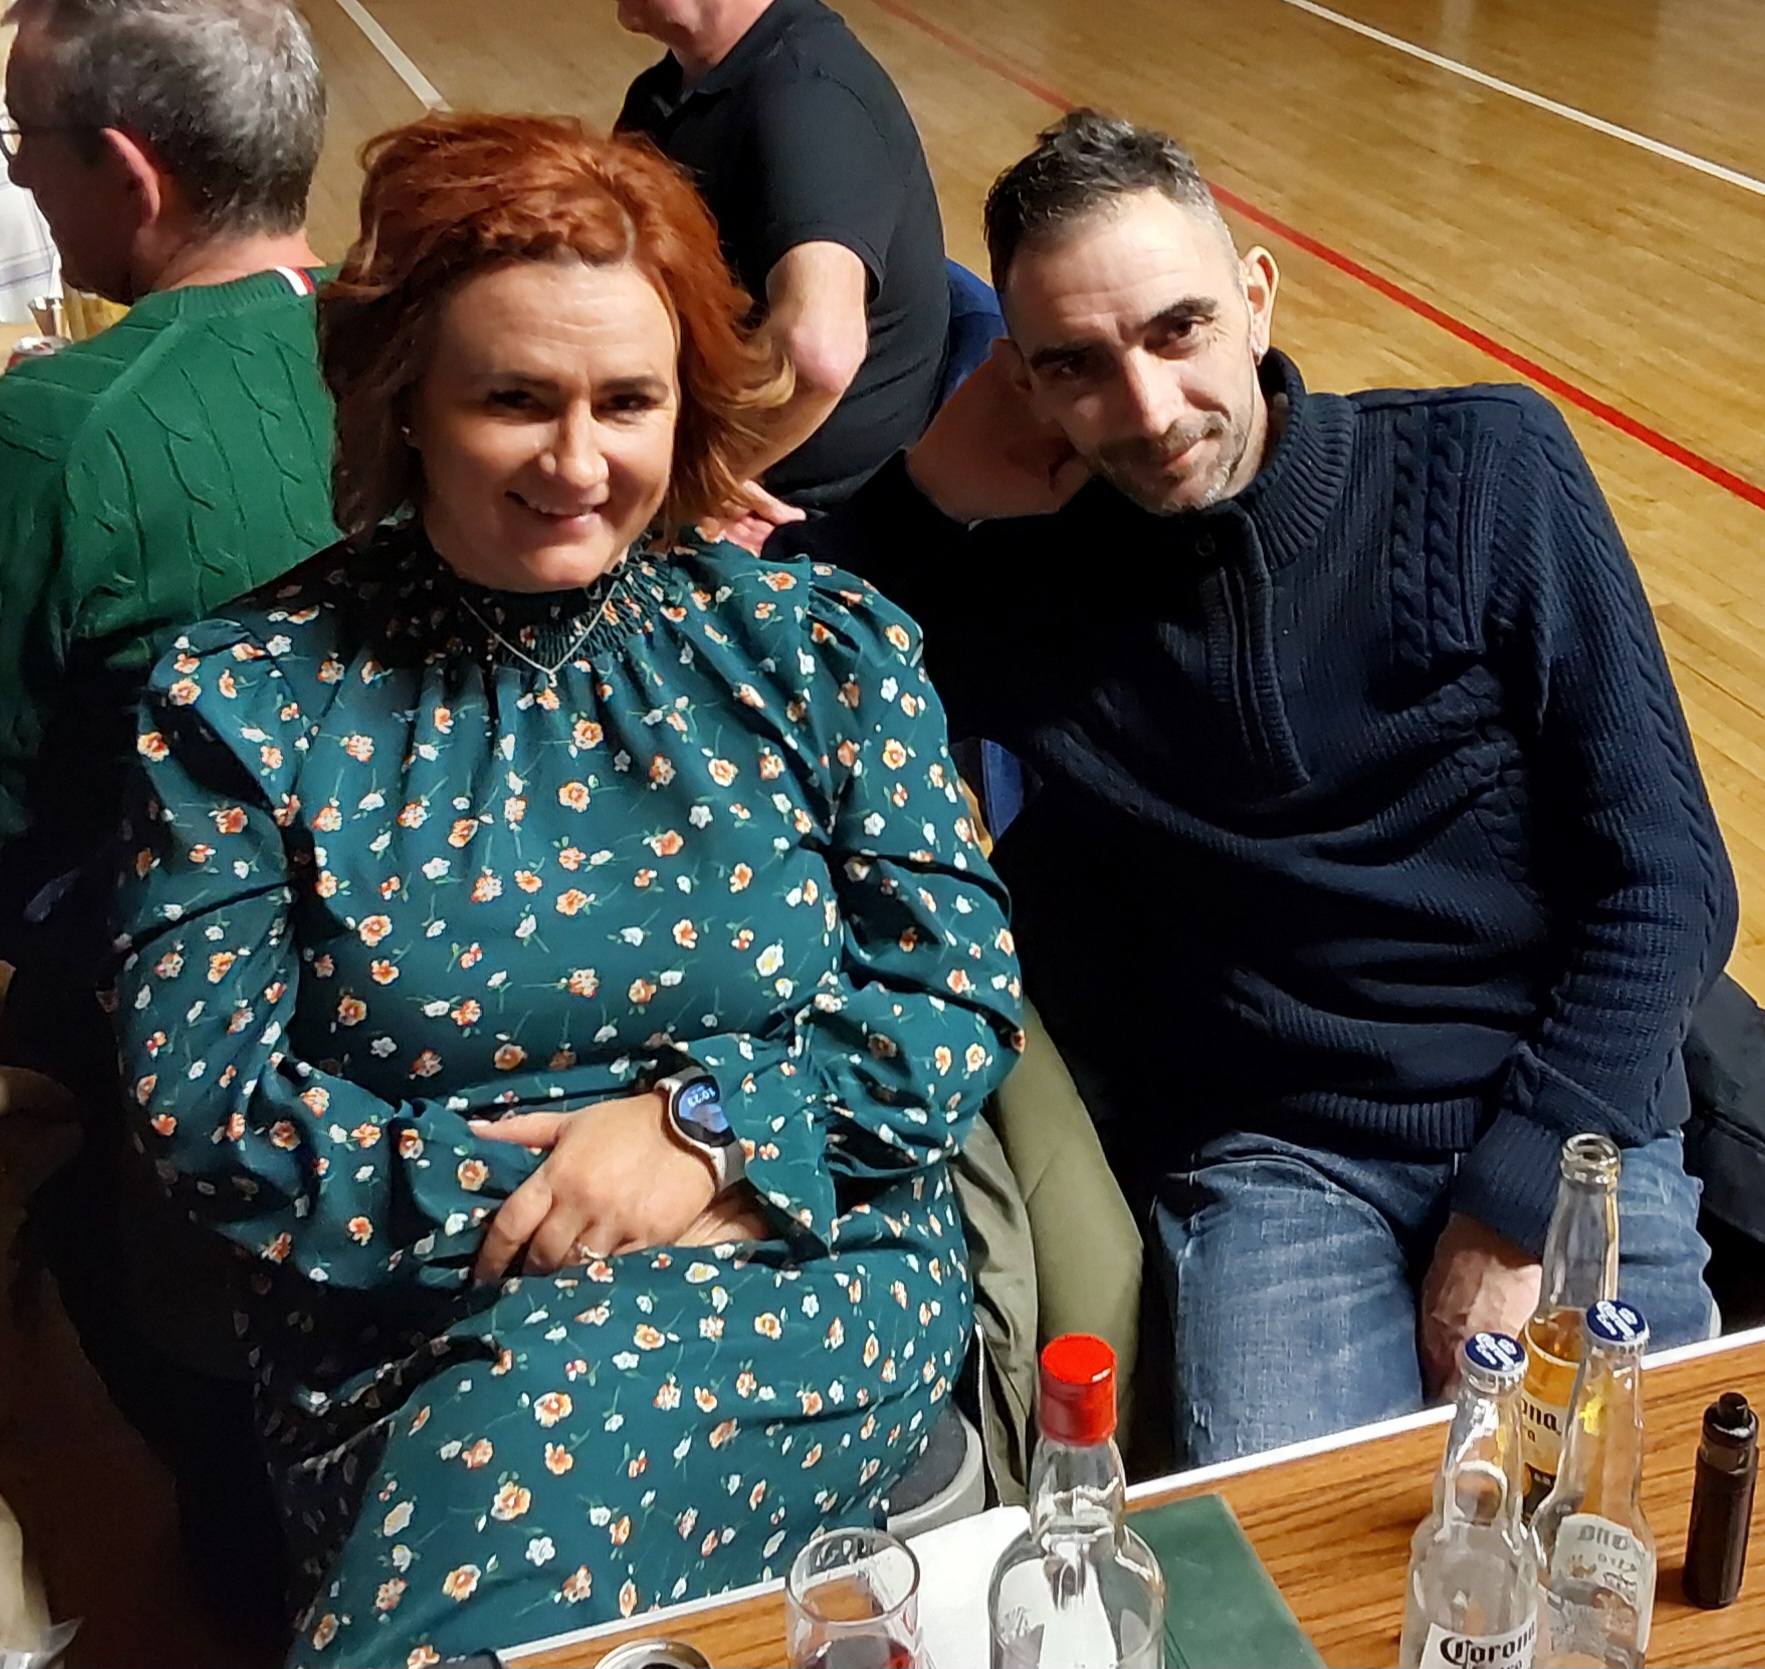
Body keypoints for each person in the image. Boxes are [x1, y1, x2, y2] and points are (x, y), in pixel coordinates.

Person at [108, 112, 1022, 1664]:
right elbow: (206, 1105)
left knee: (525, 1451)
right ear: (407, 399)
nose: (581, 463)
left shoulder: (814, 649)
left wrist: (707, 1133)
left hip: (793, 1250)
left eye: (628, 402)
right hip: (402, 1305)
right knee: (508, 1434)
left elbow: (954, 987)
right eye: (516, 400)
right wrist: (548, 1210)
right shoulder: (245, 696)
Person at [775, 110, 1736, 1466]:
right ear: (1024, 386)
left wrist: (1510, 1208)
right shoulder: (1024, 592)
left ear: (1256, 298)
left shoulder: (1485, 469)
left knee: (1619, 1538)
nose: (1150, 409)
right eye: (1078, 366)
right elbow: (757, 682)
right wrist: (922, 492)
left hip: (1563, 1115)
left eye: (1178, 330)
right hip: (1279, 1159)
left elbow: (1670, 878)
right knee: (1291, 1559)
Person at [0, 0, 333, 1628]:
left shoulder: (62, 430)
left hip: (191, 1045)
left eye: (23, 146)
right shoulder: (452, 344)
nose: (18, 179)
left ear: (129, 173)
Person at [615, 0, 949, 511]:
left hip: (788, 510)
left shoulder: (811, 100)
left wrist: (690, 487)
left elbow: (816, 357)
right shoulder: (666, 92)